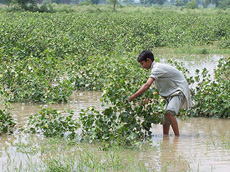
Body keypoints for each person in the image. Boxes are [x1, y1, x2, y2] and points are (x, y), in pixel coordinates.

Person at [129, 50, 192, 136]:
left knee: (169, 112)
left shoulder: (156, 68)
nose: (142, 67)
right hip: (171, 93)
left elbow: (147, 85)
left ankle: (177, 138)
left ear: (148, 60)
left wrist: (132, 97)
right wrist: (148, 99)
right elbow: (157, 90)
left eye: (142, 64)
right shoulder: (155, 70)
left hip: (178, 90)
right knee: (165, 117)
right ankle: (165, 138)